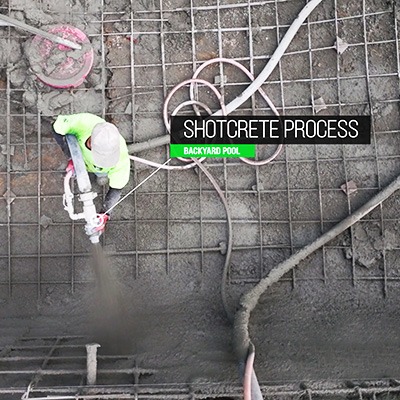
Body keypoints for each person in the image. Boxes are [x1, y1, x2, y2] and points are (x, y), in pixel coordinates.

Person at [52, 113, 131, 231]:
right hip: (84, 160)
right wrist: (70, 155)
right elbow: (56, 128)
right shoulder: (83, 123)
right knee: (98, 176)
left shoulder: (121, 158)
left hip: (98, 170)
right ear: (91, 143)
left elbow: (116, 189)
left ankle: (97, 175)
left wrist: (105, 213)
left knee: (101, 178)